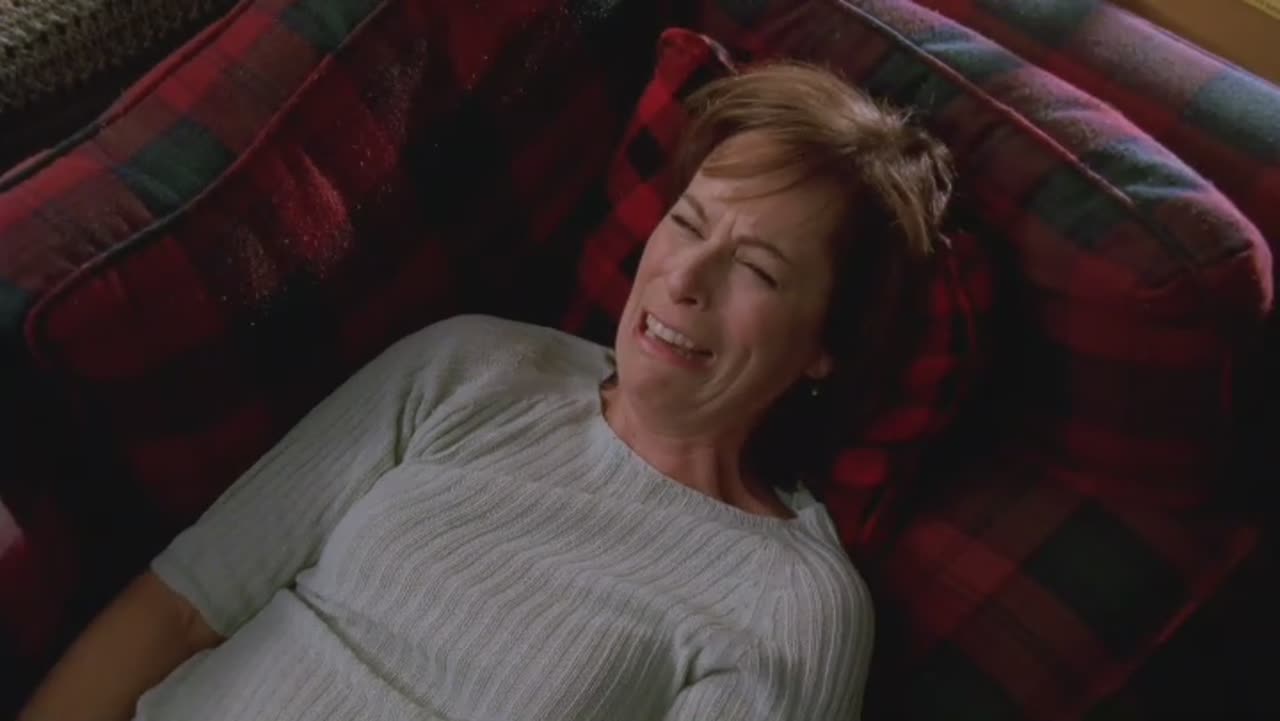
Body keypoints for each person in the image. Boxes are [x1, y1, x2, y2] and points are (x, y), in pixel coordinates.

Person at [19, 60, 953, 721]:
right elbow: (182, 606)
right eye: (687, 222)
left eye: (756, 268)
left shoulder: (791, 604)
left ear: (826, 347)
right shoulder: (473, 366)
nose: (683, 277)